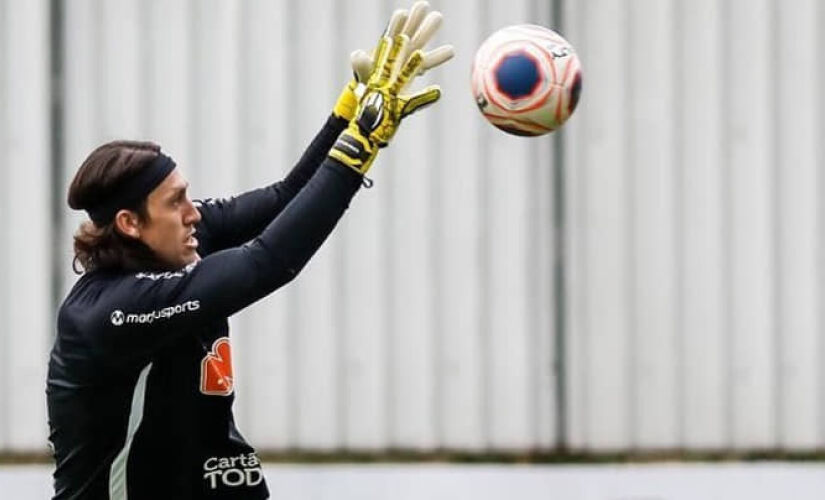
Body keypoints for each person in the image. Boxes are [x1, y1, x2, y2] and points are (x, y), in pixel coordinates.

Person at [46, 3, 453, 498]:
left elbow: (285, 198)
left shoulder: (179, 243)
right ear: (130, 224)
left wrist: (347, 118)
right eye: (176, 202)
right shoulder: (110, 310)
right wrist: (356, 149)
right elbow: (267, 262)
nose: (194, 213)